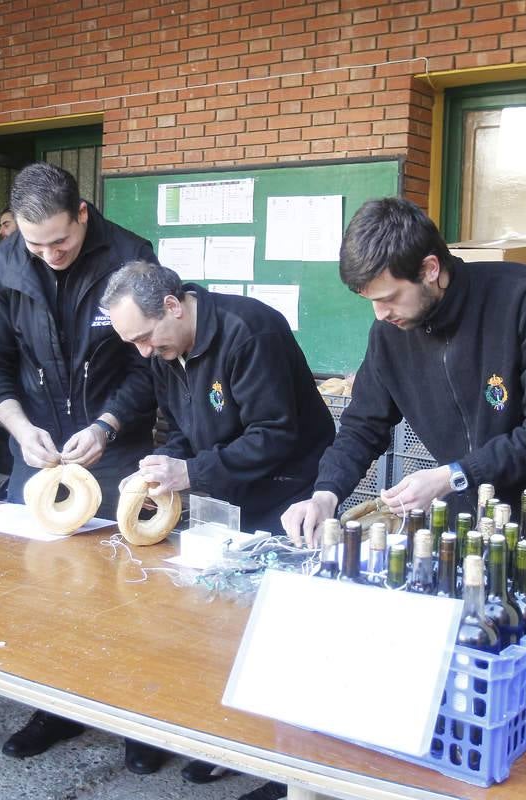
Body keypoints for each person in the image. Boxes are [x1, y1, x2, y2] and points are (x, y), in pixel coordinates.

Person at [102, 260, 336, 796]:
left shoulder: (251, 330)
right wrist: (165, 465)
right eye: (131, 343)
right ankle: (221, 737)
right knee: (217, 619)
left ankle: (289, 768)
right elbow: (174, 427)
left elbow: (275, 433)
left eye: (144, 338)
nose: (142, 352)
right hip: (226, 492)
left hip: (288, 491)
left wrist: (192, 472)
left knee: (280, 630)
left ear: (172, 305)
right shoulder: (165, 350)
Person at [0, 162, 164, 774]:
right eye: (36, 244)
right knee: (45, 585)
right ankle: (55, 704)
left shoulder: (131, 255)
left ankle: (136, 715)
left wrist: (108, 425)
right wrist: (18, 426)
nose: (50, 254)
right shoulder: (2, 265)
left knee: (128, 587)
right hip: (40, 445)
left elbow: (149, 365)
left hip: (118, 443)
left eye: (62, 240)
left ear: (83, 214)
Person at [281, 197, 526, 547]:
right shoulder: (389, 335)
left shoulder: (524, 298)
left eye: (389, 297)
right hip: (471, 524)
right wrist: (325, 493)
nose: (380, 314)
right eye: (370, 301)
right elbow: (362, 426)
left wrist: (455, 475)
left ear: (430, 269)